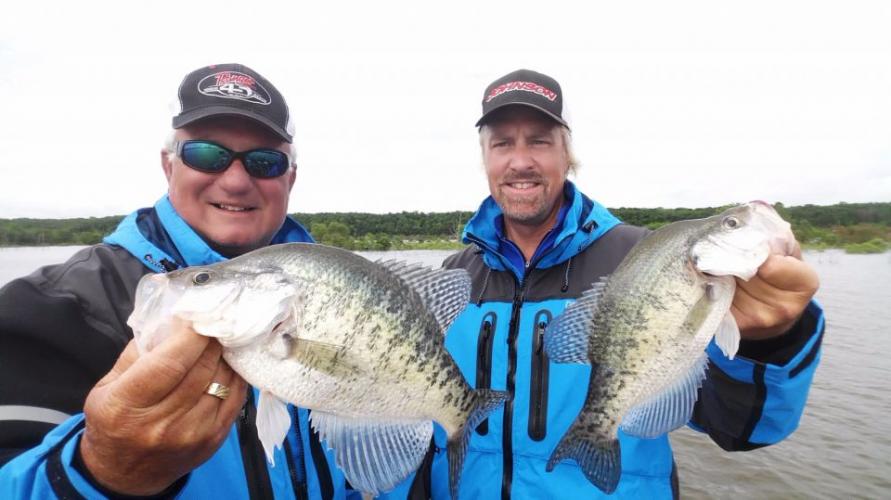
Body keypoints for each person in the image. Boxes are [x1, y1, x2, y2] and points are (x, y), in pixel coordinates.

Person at [386, 69, 824, 498]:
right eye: (502, 143)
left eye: (540, 140)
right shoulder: (451, 277)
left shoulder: (644, 259)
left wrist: (769, 341)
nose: (520, 161)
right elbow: (414, 415)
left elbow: (739, 428)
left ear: (567, 154)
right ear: (486, 159)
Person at [0, 63, 354, 498]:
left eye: (265, 162)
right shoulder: (49, 311)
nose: (237, 180)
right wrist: (100, 471)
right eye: (207, 155)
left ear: (290, 178)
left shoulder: (339, 294)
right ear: (169, 165)